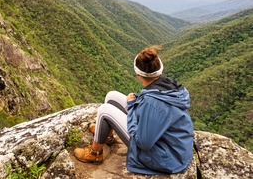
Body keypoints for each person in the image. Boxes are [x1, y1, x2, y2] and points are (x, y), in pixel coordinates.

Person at [74, 45, 194, 175]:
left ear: (138, 75)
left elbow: (143, 143)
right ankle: (106, 136)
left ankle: (95, 153)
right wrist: (135, 103)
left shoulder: (152, 103)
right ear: (159, 70)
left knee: (104, 111)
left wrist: (131, 107)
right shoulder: (168, 85)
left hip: (166, 157)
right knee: (111, 96)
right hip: (172, 145)